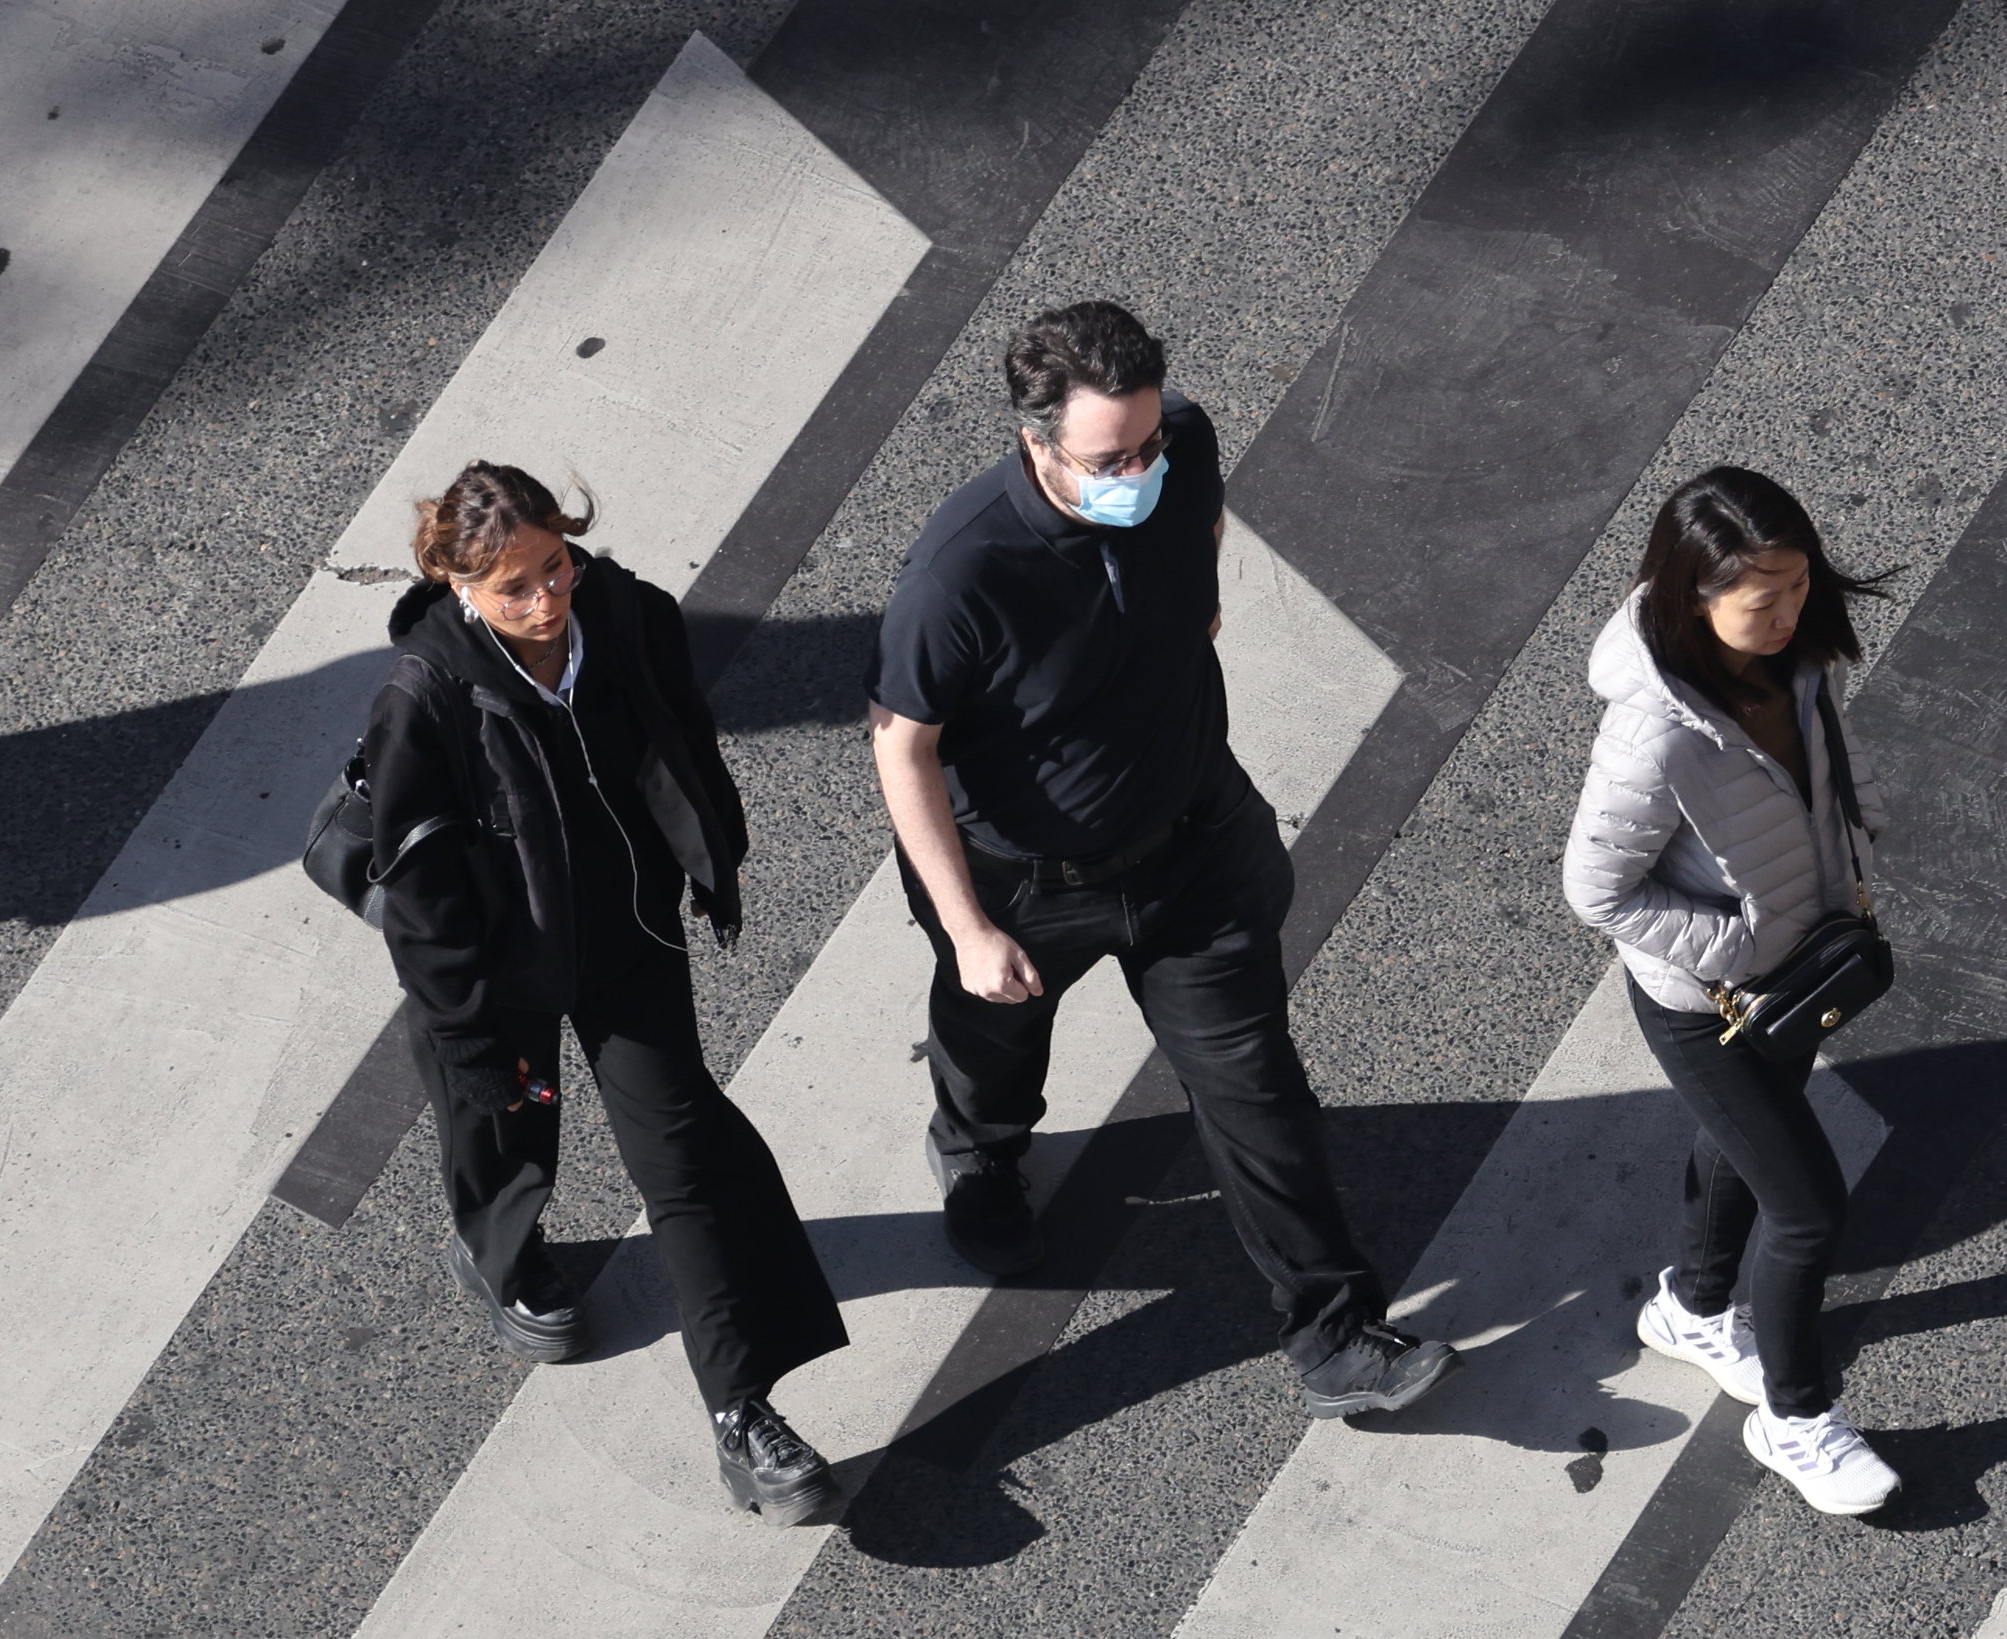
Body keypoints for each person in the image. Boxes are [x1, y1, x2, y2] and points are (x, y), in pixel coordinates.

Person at [869, 299, 1454, 1422]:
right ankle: (980, 1149)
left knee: (1256, 1092)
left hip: (1191, 855)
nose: (1137, 467)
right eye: (1108, 457)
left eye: (1145, 444)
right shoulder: (958, 574)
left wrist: (1187, 604)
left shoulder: (1180, 447)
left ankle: (1335, 1336)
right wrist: (969, 931)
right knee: (994, 1039)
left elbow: (1199, 515)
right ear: (1036, 441)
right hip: (1026, 887)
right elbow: (902, 745)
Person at [364, 462, 850, 1523]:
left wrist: (713, 850)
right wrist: (468, 1033)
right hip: (497, 969)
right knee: (505, 1127)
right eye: (515, 590)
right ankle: (499, 1253)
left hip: (629, 938)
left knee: (686, 1160)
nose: (547, 603)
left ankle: (741, 1414)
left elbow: (682, 737)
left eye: (555, 567)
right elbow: (418, 894)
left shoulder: (625, 614)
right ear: (458, 586)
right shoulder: (426, 694)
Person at [1562, 468, 1899, 1517]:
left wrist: (1847, 858)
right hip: (1706, 1000)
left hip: (1797, 965)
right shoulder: (1651, 732)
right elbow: (1594, 889)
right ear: (1689, 597)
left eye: (1798, 585)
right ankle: (1794, 1421)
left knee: (1741, 1152)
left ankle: (1694, 1308)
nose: (1792, 612)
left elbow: (1815, 776)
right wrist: (1734, 946)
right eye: (1764, 599)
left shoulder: (1790, 659)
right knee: (1807, 1209)